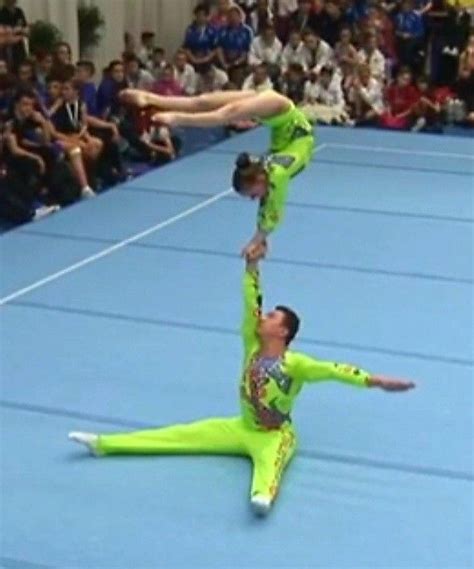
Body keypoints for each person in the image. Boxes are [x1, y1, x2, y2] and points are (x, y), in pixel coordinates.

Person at [68, 241, 415, 517]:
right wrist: (252, 266)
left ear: (283, 331)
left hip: (274, 435)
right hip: (240, 427)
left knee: (267, 472)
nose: (263, 317)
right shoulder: (251, 342)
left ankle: (262, 496)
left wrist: (378, 380)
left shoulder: (297, 364)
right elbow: (250, 301)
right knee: (177, 435)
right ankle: (106, 444)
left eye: (272, 316)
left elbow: (337, 371)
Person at [120, 88, 315, 257]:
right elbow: (273, 207)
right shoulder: (276, 172)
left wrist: (260, 238)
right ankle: (175, 118)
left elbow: (267, 203)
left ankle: (151, 98)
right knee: (224, 113)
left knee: (204, 101)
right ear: (259, 179)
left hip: (277, 115)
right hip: (283, 112)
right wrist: (259, 238)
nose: (255, 199)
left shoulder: (267, 171)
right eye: (253, 194)